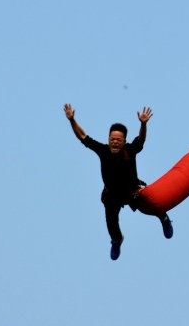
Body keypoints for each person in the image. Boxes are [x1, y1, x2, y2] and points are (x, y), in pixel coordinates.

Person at [64, 103, 173, 260]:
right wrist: (72, 120)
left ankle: (164, 219)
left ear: (124, 141)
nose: (114, 142)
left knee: (153, 203)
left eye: (118, 140)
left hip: (132, 191)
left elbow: (141, 139)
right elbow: (83, 137)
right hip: (112, 195)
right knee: (111, 223)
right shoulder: (103, 150)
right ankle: (117, 240)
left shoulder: (130, 150)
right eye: (112, 139)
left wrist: (143, 124)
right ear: (108, 139)